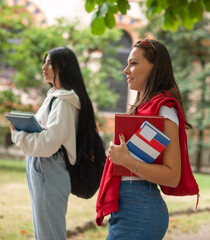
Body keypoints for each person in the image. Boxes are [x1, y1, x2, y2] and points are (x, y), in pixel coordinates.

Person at [96, 39, 199, 240]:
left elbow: (172, 176)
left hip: (139, 211)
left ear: (155, 68)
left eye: (134, 63)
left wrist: (126, 160)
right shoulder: (144, 108)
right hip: (129, 207)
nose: (126, 70)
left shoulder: (164, 109)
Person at [9, 47, 97, 240]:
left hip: (49, 166)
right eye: (44, 61)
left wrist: (17, 134)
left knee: (49, 232)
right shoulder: (56, 97)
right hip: (44, 166)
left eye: (49, 63)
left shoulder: (64, 102)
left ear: (63, 67)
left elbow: (48, 143)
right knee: (45, 230)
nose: (44, 67)